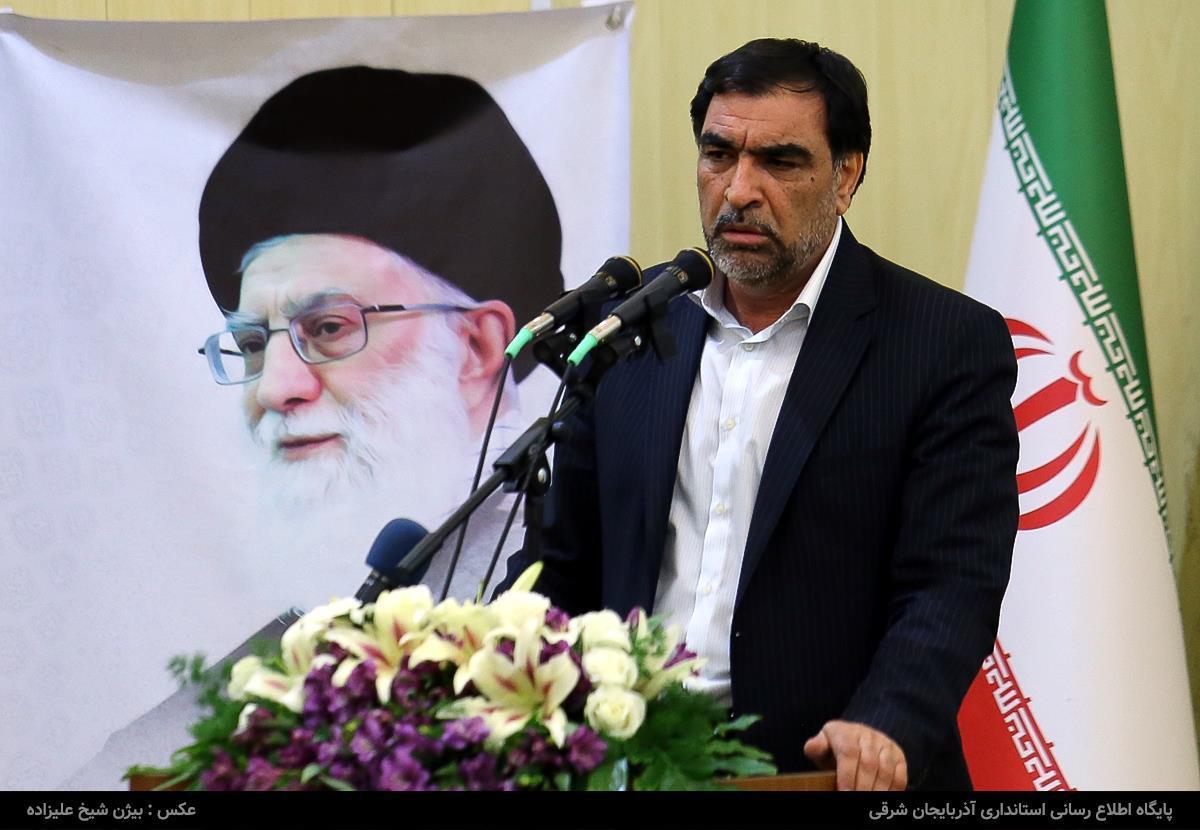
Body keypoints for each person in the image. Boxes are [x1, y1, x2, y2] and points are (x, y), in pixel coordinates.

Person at [501, 38, 1019, 791]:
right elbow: (564, 562)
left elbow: (953, 582)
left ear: (846, 176)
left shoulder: (940, 343)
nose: (738, 189)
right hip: (630, 764)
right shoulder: (629, 330)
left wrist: (887, 723)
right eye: (719, 154)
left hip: (820, 771)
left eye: (779, 161)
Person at [197, 66, 564, 604]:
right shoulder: (266, 644)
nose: (274, 388)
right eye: (253, 344)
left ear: (475, 349)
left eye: (328, 328)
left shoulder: (578, 595)